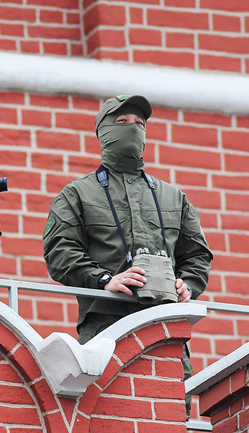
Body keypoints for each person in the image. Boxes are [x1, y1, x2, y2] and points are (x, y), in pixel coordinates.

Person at [43, 94, 212, 411]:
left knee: (172, 413)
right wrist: (104, 279)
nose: (132, 129)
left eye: (139, 123)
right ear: (103, 132)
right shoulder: (77, 193)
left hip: (165, 324)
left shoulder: (173, 197)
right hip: (105, 326)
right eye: (121, 123)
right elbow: (59, 252)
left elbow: (197, 256)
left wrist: (187, 284)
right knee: (109, 412)